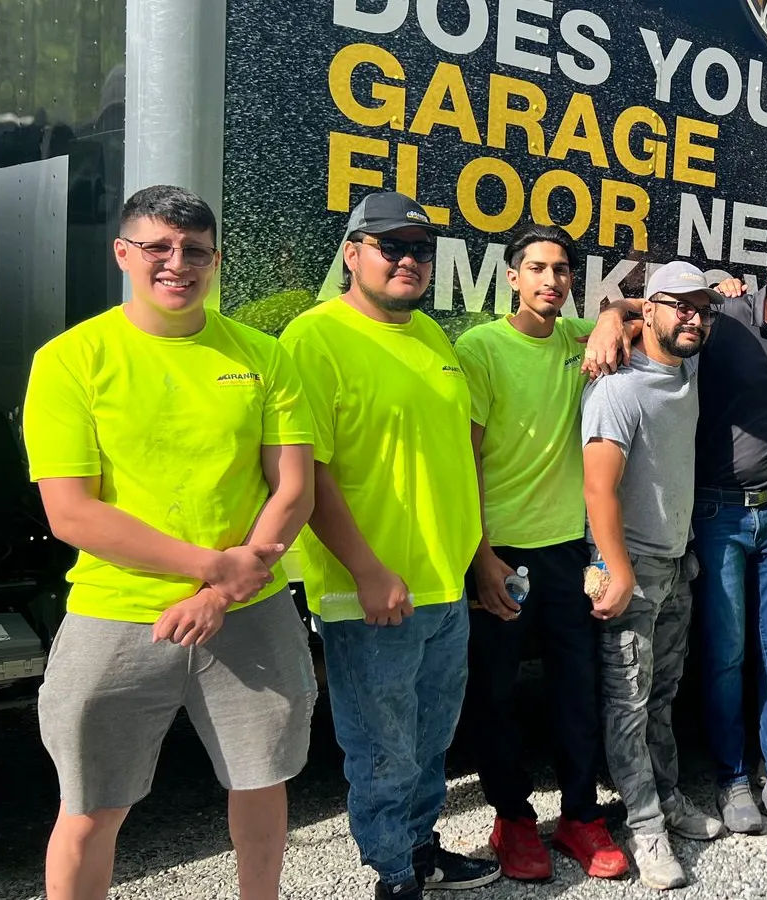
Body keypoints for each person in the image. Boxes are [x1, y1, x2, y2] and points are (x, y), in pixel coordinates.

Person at [24, 186, 316, 900]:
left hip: (251, 610)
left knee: (261, 783)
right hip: (117, 613)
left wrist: (220, 591)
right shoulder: (71, 360)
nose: (176, 263)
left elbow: (294, 491)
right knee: (91, 806)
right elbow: (72, 513)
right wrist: (209, 568)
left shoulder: (264, 357)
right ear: (123, 253)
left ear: (216, 261)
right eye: (157, 247)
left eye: (194, 251)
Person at [587, 228, 767, 837]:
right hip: (716, 513)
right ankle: (733, 779)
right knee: (726, 654)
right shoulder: (723, 316)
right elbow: (655, 311)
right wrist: (609, 316)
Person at [280, 191, 500, 898]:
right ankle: (392, 873)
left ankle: (420, 848)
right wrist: (368, 570)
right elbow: (306, 470)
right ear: (352, 255)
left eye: (420, 250)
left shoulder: (431, 335)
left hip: (442, 584)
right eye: (391, 247)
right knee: (381, 749)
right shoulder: (313, 338)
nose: (409, 260)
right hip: (369, 591)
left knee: (430, 740)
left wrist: (479, 558)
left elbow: (456, 455)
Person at [454, 224, 626, 882]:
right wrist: (481, 555)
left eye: (562, 269)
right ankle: (513, 821)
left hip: (566, 555)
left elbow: (641, 312)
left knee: (576, 690)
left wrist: (612, 315)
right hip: (501, 554)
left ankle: (580, 816)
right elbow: (463, 457)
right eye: (537, 268)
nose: (551, 279)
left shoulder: (576, 337)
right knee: (495, 696)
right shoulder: (481, 348)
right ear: (513, 278)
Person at [582, 262, 724, 890]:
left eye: (703, 307)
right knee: (627, 706)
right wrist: (614, 571)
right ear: (652, 309)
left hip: (675, 563)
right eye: (679, 305)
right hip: (629, 570)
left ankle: (666, 797)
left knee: (661, 697)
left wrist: (622, 314)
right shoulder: (616, 390)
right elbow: (598, 489)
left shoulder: (686, 369)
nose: (693, 316)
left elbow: (671, 322)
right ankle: (645, 829)